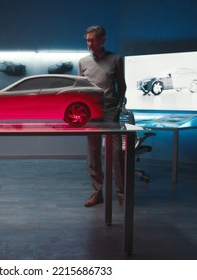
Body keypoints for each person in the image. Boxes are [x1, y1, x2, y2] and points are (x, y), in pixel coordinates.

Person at [78, 25, 127, 208]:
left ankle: (122, 195)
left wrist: (118, 108)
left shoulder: (116, 59)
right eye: (87, 40)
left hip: (110, 113)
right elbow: (80, 89)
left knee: (116, 154)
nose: (89, 44)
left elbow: (122, 86)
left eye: (93, 40)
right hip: (90, 114)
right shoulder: (82, 62)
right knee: (93, 154)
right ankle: (97, 193)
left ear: (103, 40)